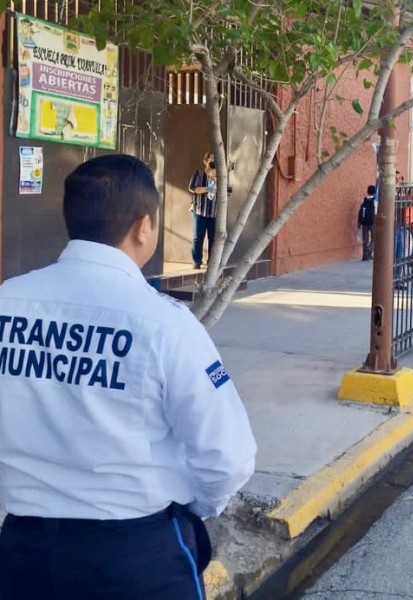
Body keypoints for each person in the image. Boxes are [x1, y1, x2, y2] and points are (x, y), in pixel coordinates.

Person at [0, 154, 257, 600]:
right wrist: (192, 509)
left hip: (24, 555)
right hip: (137, 557)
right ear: (144, 227)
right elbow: (228, 458)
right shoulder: (165, 324)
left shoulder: (8, 303)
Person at [189, 151, 232, 270]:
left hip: (214, 212)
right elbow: (192, 188)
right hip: (200, 210)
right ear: (205, 161)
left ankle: (211, 262)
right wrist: (208, 188)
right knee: (198, 237)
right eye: (211, 159)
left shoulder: (221, 176)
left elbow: (229, 191)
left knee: (213, 238)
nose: (213, 161)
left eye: (215, 159)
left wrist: (216, 178)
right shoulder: (199, 173)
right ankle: (196, 261)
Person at [358, 185, 377, 261]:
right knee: (374, 238)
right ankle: (368, 251)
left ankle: (364, 256)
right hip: (372, 222)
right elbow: (376, 212)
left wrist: (359, 222)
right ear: (375, 192)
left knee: (365, 239)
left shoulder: (363, 200)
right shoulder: (375, 201)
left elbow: (360, 212)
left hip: (364, 222)